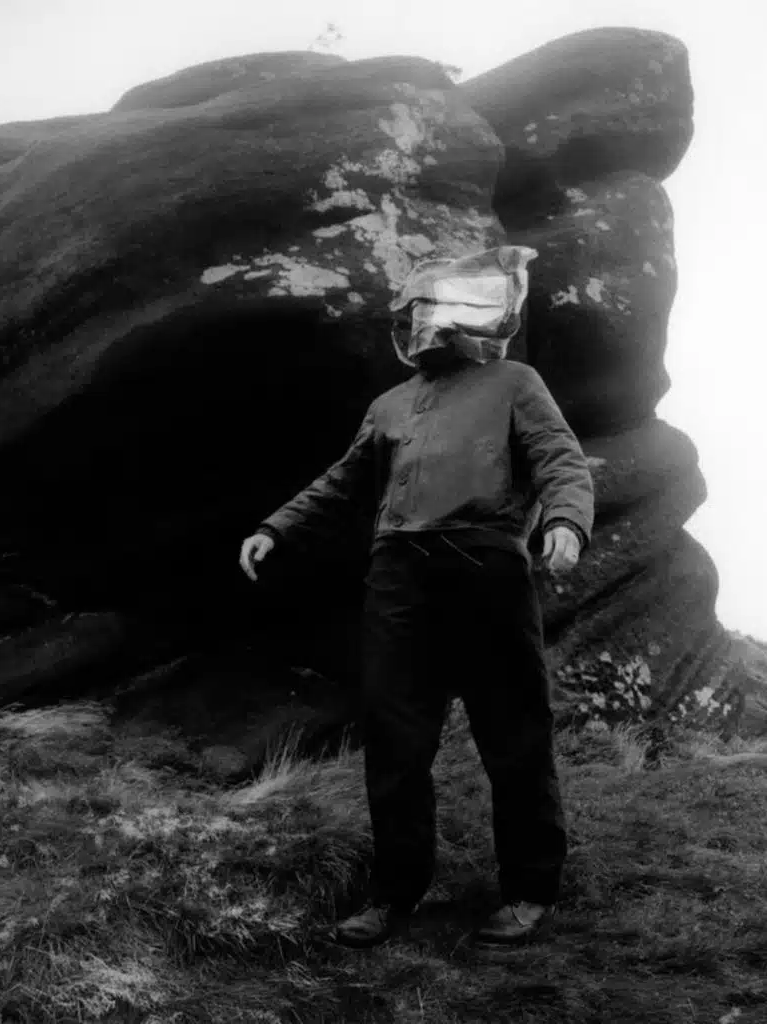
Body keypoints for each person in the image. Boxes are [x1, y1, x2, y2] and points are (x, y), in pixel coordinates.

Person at [239, 246, 594, 948]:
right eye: (417, 313)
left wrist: (566, 521)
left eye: (435, 311)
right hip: (398, 574)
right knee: (394, 739)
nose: (423, 325)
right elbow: (341, 482)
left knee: (514, 733)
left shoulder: (514, 382)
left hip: (486, 566)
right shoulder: (391, 404)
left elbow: (560, 457)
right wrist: (275, 527)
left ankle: (530, 889)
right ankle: (395, 892)